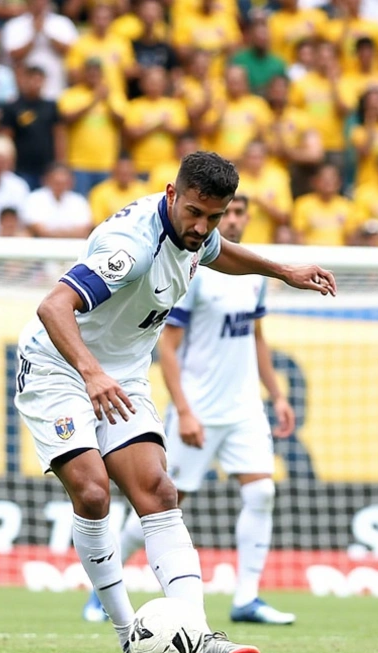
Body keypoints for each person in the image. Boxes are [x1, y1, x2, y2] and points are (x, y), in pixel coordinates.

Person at [14, 151, 334, 653]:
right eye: (194, 213)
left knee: (159, 491)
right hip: (59, 365)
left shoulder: (196, 231)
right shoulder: (131, 247)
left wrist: (283, 270)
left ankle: (200, 635)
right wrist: (92, 373)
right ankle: (126, 640)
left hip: (121, 370)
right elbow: (53, 307)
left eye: (214, 216)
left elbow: (219, 252)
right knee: (93, 491)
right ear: (170, 194)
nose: (202, 227)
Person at [83, 194, 296, 626]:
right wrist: (185, 410)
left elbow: (256, 337)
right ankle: (102, 590)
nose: (230, 221)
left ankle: (247, 598)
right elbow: (170, 346)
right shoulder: (194, 269)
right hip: (197, 408)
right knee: (161, 500)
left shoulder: (252, 275)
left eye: (236, 214)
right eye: (226, 214)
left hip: (243, 409)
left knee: (262, 493)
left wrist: (277, 395)